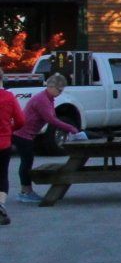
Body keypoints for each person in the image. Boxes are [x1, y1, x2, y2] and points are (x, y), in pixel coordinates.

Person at [15, 75, 79, 204]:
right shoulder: (42, 100)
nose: (60, 93)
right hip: (23, 134)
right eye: (59, 90)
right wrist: (71, 128)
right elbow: (51, 119)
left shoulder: (49, 99)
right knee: (26, 163)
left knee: (27, 161)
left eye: (62, 90)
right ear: (51, 87)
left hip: (28, 134)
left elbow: (52, 116)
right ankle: (25, 192)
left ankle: (26, 191)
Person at [0, 85, 22, 223]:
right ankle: (0, 204)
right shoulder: (9, 97)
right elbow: (21, 120)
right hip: (3, 142)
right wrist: (9, 129)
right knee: (2, 175)